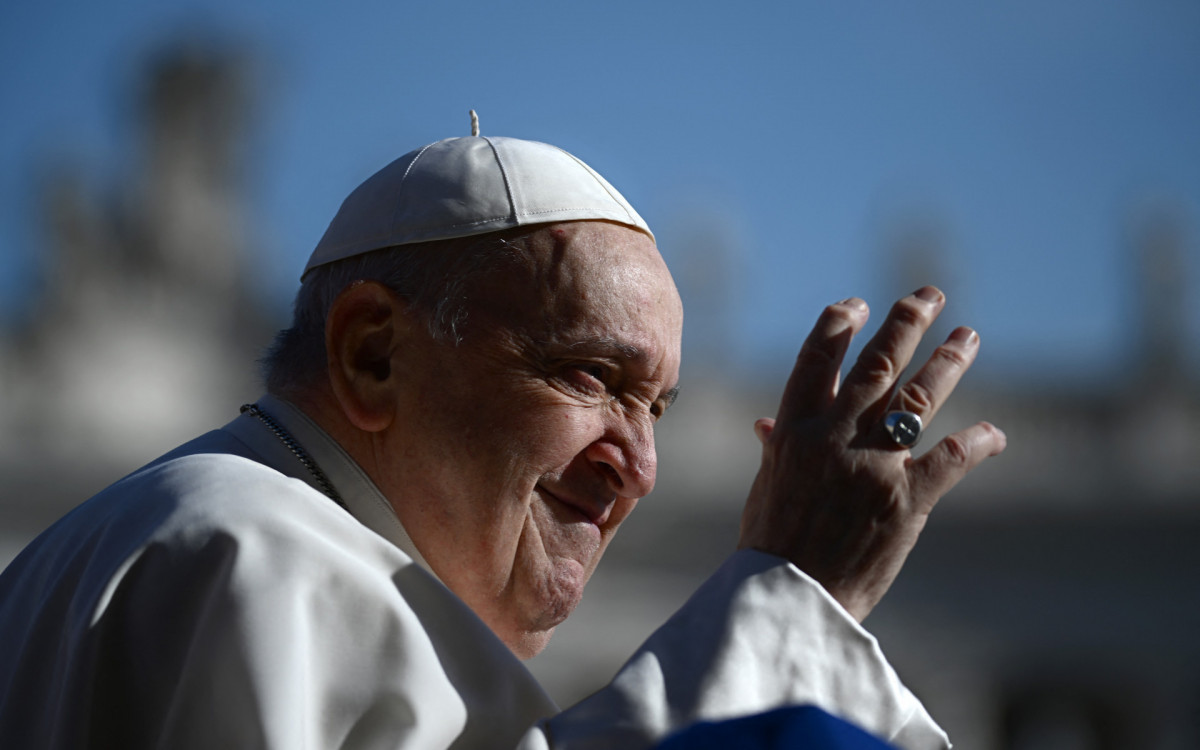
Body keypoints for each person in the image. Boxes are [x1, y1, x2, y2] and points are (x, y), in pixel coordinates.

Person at [0, 121, 1006, 749]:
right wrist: (792, 600)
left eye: (655, 409)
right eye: (593, 378)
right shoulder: (257, 561)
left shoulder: (100, 552)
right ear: (373, 356)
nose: (639, 468)